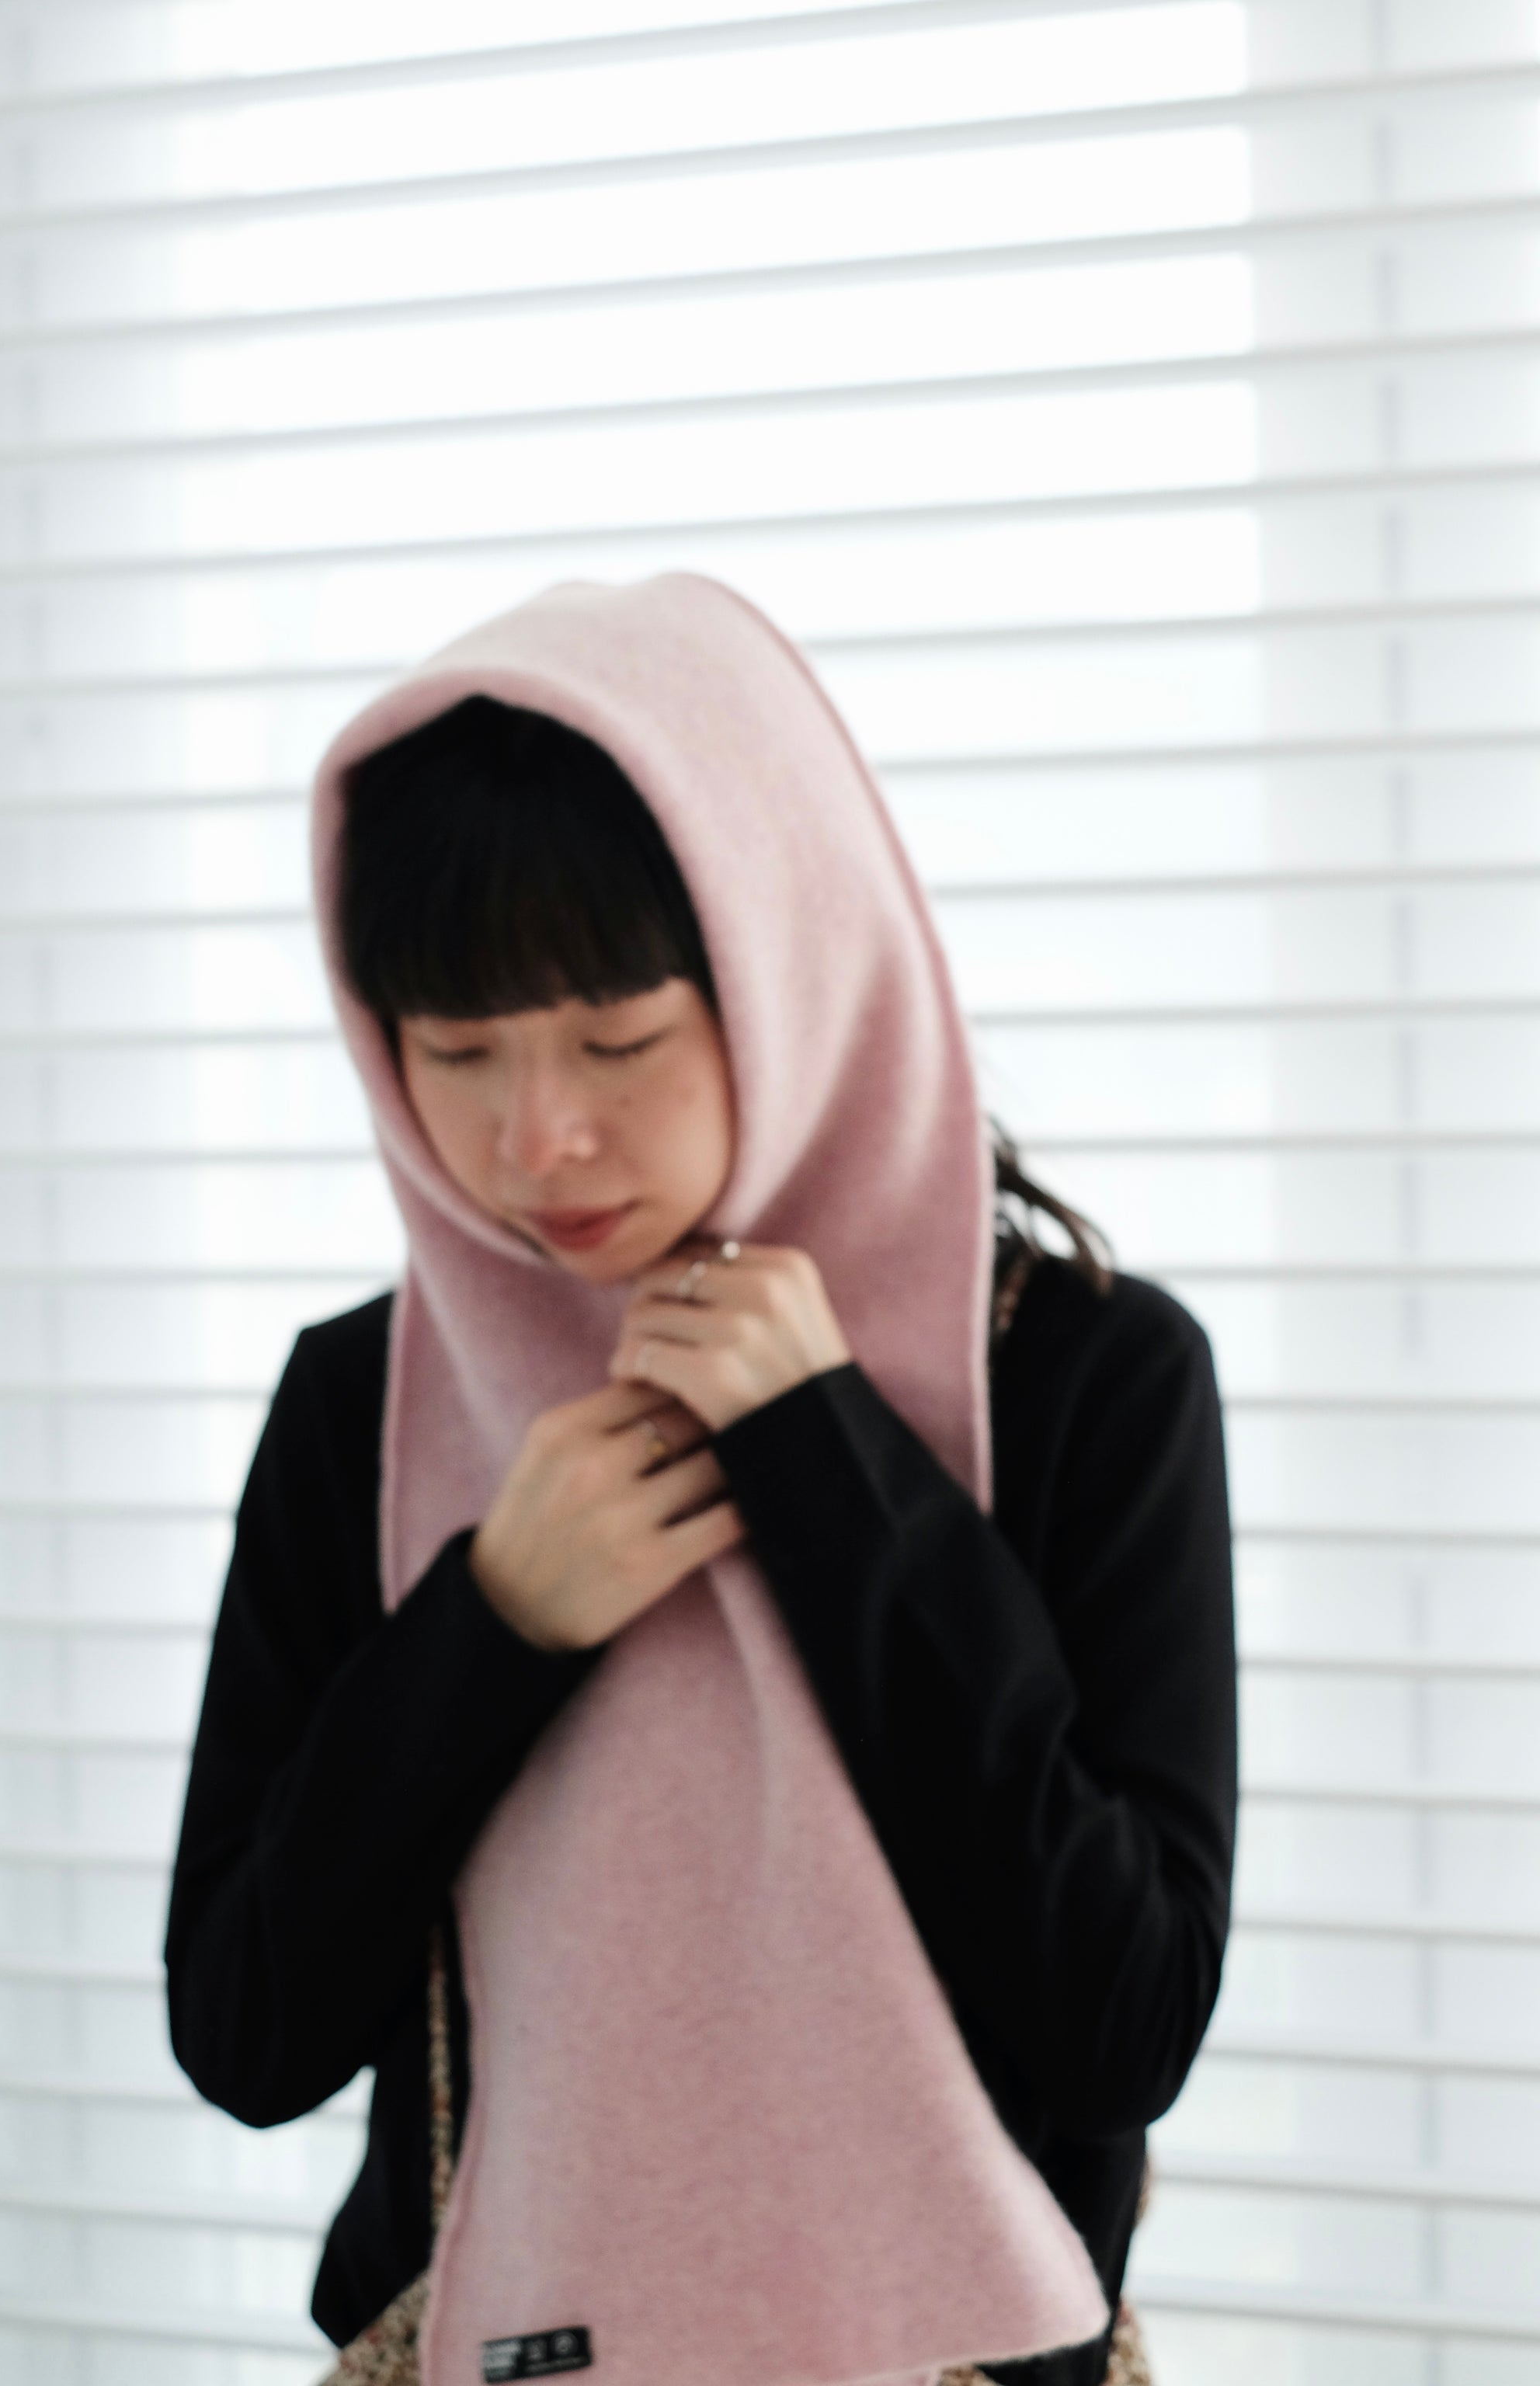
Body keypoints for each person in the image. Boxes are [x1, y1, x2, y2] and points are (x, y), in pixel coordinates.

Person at [164, 574, 1237, 2386]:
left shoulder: (1080, 1378)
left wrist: (826, 1455)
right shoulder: (368, 1402)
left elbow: (1116, 2020)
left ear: (782, 969)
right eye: (455, 1051)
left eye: (618, 1039)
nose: (535, 1138)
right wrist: (493, 1622)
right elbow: (248, 2034)